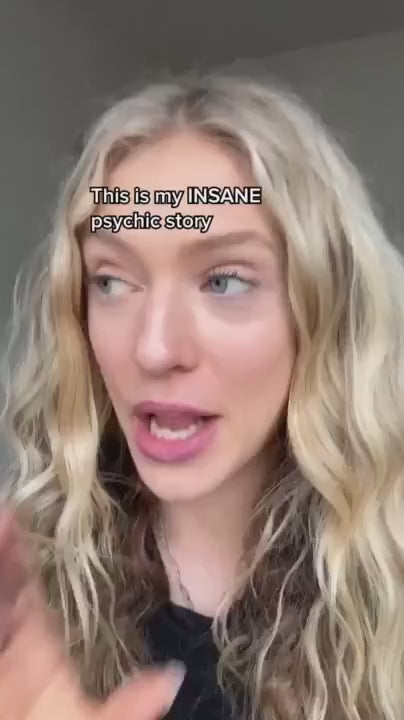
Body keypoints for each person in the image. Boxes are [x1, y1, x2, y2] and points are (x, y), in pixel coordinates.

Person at [1, 72, 404, 720]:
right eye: (112, 281)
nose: (154, 348)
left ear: (326, 311)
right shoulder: (21, 605)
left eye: (224, 281)